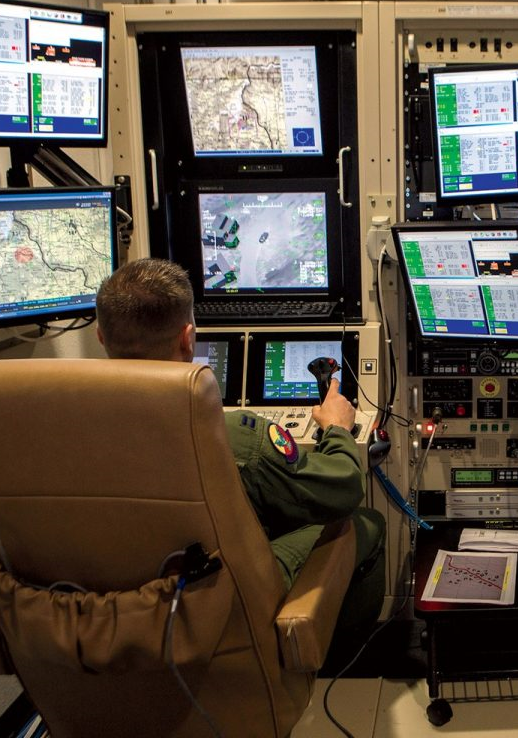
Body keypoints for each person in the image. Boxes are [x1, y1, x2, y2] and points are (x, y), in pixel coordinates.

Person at [95, 257, 385, 660]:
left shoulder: (65, 431)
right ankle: (336, 662)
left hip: (113, 610)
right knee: (362, 522)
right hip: (219, 601)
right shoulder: (231, 436)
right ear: (187, 339)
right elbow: (342, 488)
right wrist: (335, 428)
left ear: (100, 338)